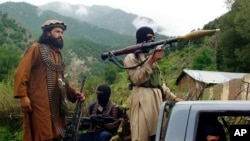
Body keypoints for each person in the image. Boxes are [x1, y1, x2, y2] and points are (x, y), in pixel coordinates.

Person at [13, 19, 85, 141]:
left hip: (56, 105)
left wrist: (74, 93)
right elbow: (21, 72)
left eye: (62, 32)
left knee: (56, 135)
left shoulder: (58, 55)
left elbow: (62, 82)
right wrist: (23, 96)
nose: (60, 35)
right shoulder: (36, 48)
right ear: (48, 33)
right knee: (42, 135)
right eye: (57, 31)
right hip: (39, 104)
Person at [123, 26, 182, 141]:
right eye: (149, 37)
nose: (152, 40)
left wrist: (174, 98)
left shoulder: (150, 57)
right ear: (141, 38)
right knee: (141, 136)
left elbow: (159, 83)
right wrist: (152, 60)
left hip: (157, 102)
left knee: (159, 135)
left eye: (153, 38)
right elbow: (137, 79)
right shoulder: (130, 57)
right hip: (142, 100)